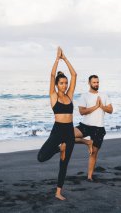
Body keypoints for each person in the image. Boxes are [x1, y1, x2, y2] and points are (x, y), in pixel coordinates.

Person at [37, 47, 77, 200]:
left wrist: (65, 58)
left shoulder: (70, 96)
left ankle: (58, 192)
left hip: (69, 132)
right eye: (61, 83)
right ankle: (59, 149)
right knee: (41, 156)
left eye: (65, 83)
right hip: (57, 130)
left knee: (64, 164)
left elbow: (74, 74)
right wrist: (56, 59)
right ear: (56, 84)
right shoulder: (53, 96)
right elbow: (52, 74)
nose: (65, 85)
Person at [74, 75, 113, 181]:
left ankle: (89, 176)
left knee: (94, 153)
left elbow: (110, 110)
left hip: (99, 128)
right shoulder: (84, 96)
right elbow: (82, 112)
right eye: (94, 82)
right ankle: (87, 142)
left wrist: (101, 106)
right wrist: (95, 107)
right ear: (89, 83)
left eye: (97, 82)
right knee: (67, 135)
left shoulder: (104, 96)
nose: (96, 84)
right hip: (85, 125)